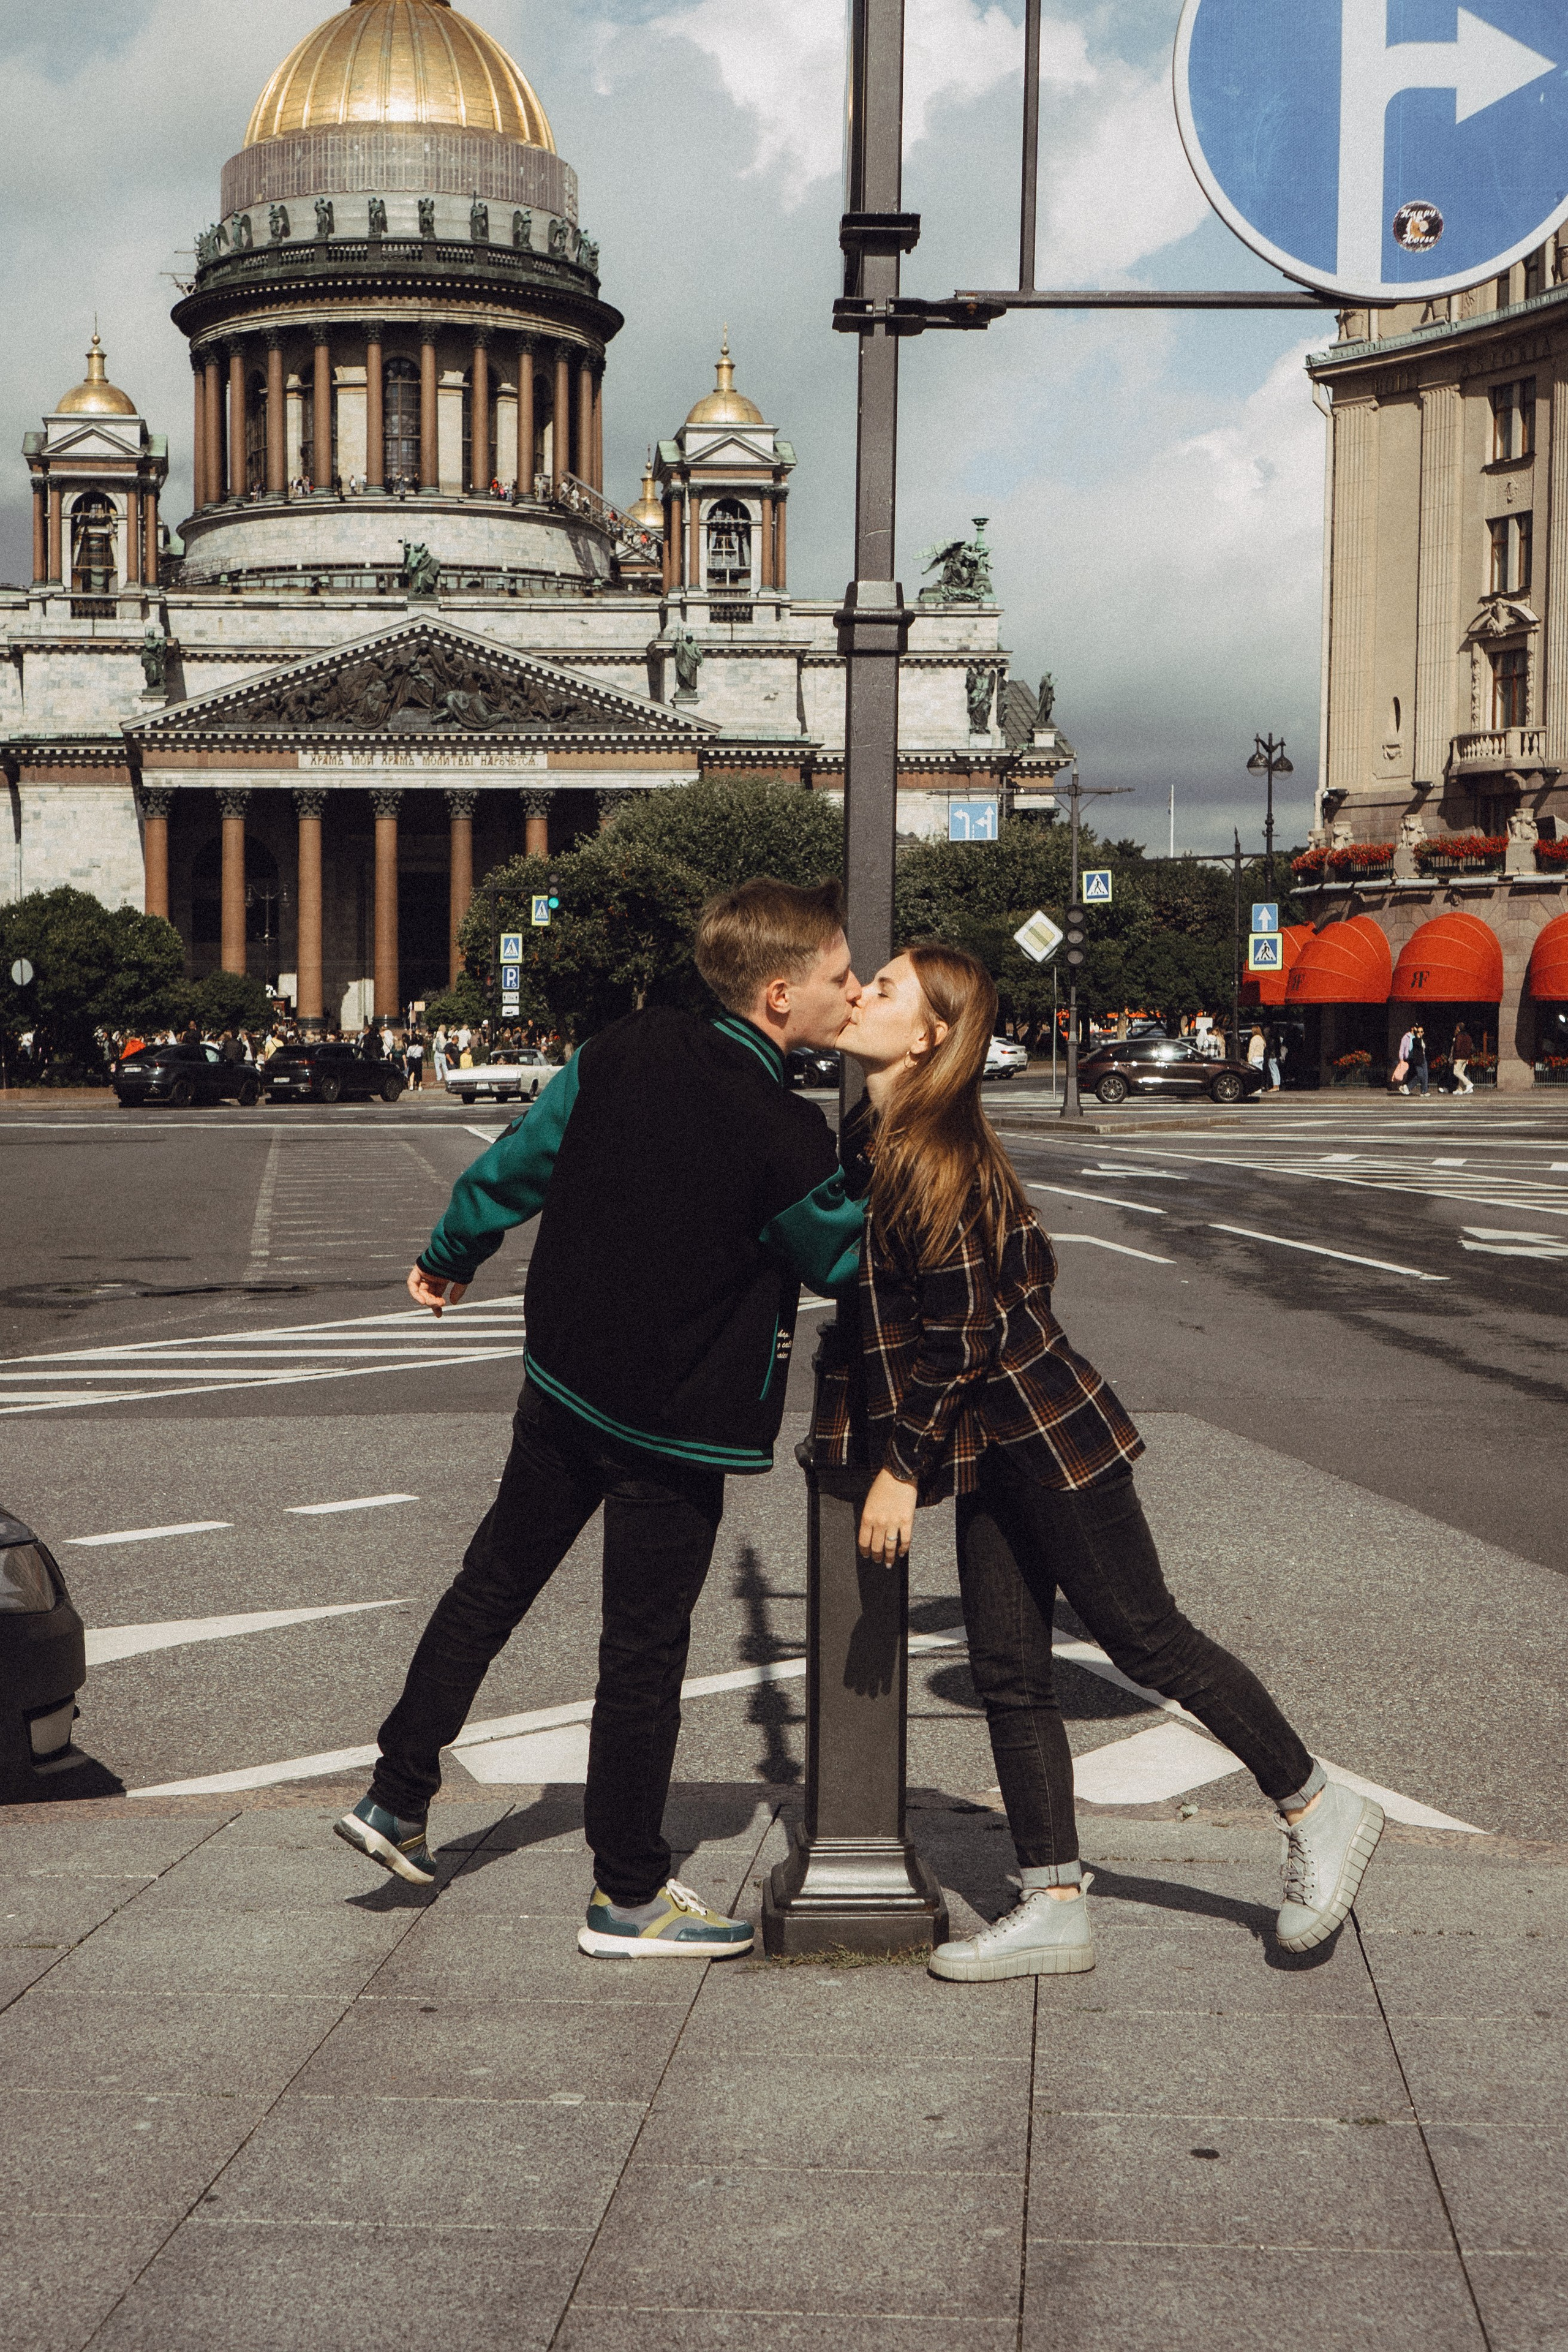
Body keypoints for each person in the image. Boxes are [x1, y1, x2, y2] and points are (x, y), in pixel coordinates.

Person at [820, 942, 1383, 1981]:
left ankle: (1316, 1799)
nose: (862, 995)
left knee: (1145, 1638)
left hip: (1043, 1433)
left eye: (886, 989)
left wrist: (900, 1468)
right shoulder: (883, 1133)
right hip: (993, 1441)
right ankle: (1054, 1903)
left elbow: (964, 1334)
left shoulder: (930, 1153)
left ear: (932, 1033)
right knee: (1008, 1674)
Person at [334, 880, 869, 1960]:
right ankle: (628, 1891)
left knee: (491, 1584)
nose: (855, 993)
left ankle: (397, 1796)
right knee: (641, 1651)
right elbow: (843, 1258)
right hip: (676, 1420)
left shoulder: (627, 1043)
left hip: (567, 1381)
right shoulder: (783, 1129)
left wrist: (449, 1255)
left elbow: (520, 1160)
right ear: (778, 996)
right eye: (842, 978)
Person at [1449, 1021, 1475, 1095]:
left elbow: (1457, 1047)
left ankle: (1469, 1083)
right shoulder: (1468, 1036)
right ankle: (1460, 1089)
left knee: (1456, 1072)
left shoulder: (1459, 1036)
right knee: (1461, 1073)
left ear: (1458, 1028)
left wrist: (1455, 1058)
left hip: (1459, 1057)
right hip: (1466, 1058)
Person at [1265, 1019, 1286, 1093]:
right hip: (1276, 1056)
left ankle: (1275, 1086)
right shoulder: (1277, 1039)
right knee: (1277, 1071)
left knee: (1273, 1071)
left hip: (1272, 1056)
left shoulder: (1271, 1040)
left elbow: (1269, 1048)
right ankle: (1277, 1086)